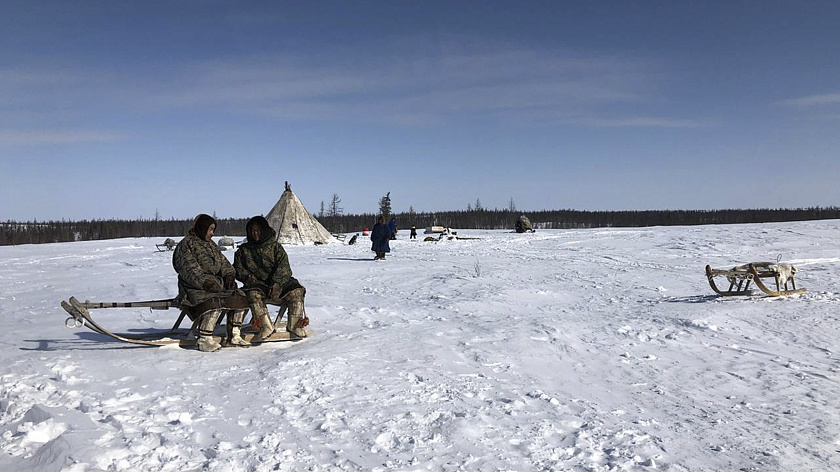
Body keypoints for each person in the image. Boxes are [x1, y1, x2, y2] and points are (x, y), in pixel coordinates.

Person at [172, 214, 250, 352]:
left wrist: (229, 276)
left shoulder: (211, 245)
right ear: (202, 228)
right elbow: (189, 269)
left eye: (213, 229)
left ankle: (234, 335)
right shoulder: (186, 244)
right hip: (193, 288)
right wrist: (204, 282)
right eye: (210, 229)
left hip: (216, 285)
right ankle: (205, 339)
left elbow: (223, 263)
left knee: (240, 297)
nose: (212, 233)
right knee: (213, 302)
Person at [234, 216, 308, 341]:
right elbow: (237, 268)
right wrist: (246, 277)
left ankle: (294, 325)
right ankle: (265, 326)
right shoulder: (243, 250)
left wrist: (277, 283)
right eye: (252, 231)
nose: (255, 233)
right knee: (252, 294)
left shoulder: (276, 247)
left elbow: (284, 267)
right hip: (257, 284)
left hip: (279, 283)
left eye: (258, 230)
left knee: (296, 291)